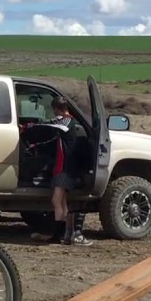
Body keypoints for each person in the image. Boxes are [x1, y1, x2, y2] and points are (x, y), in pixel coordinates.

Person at [31, 97, 93, 246]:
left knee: (56, 200)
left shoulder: (66, 121)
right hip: (65, 167)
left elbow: (53, 124)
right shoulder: (68, 122)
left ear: (56, 109)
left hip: (64, 168)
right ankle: (65, 233)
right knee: (63, 202)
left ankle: (58, 234)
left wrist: (31, 126)